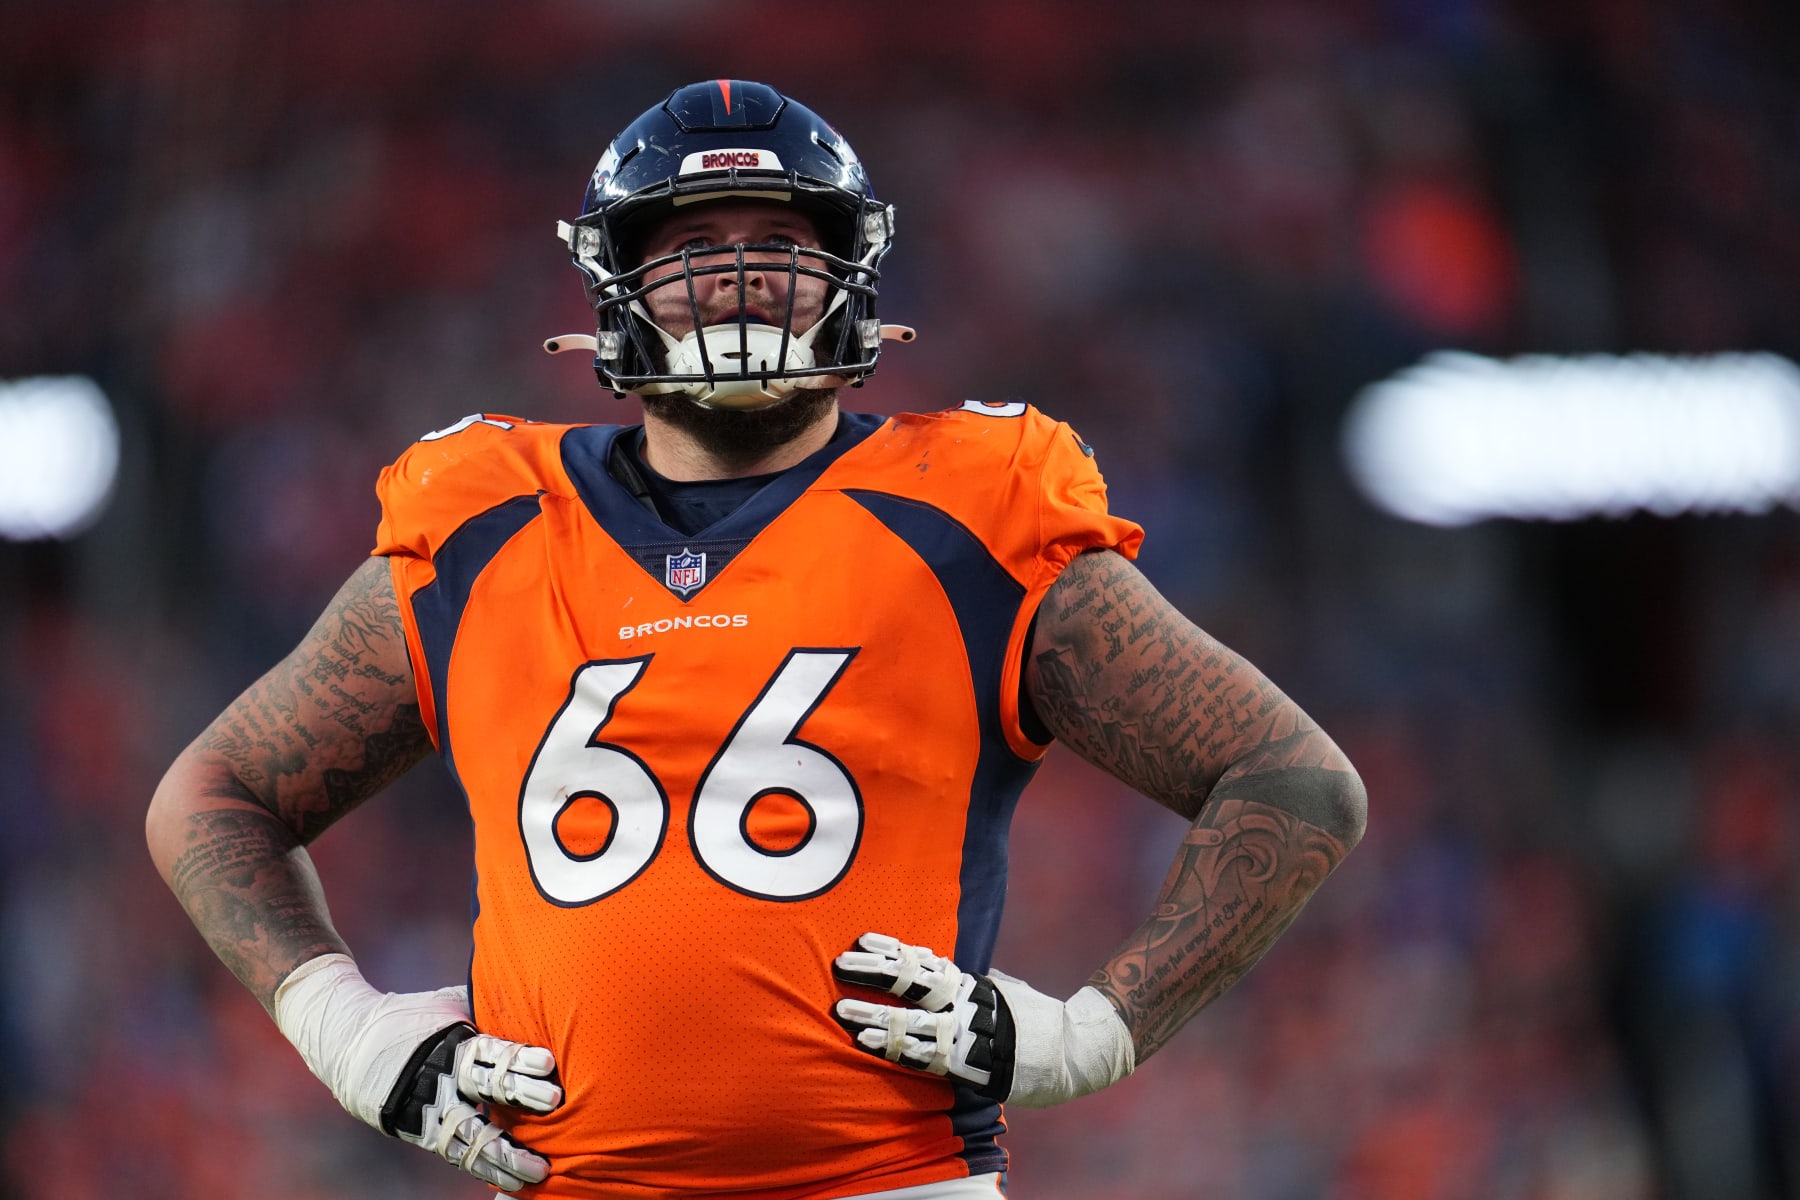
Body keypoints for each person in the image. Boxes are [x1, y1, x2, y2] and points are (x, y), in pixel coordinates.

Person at [146, 79, 1367, 1199]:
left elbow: (1294, 779)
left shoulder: (970, 512)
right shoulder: (483, 523)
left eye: (783, 244)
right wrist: (342, 1026)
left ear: (854, 273)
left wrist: (1096, 1031)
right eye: (690, 249)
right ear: (614, 283)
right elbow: (216, 793)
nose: (738, 278)